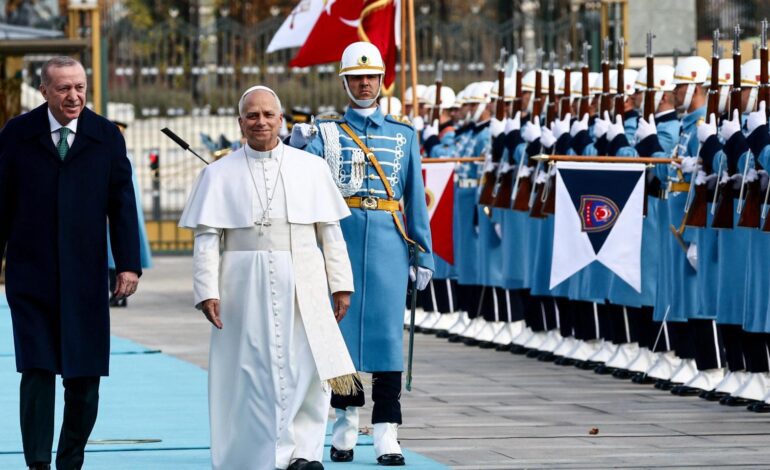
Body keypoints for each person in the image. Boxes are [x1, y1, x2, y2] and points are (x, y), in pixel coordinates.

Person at [179, 85, 358, 470]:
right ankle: (259, 454)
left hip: (304, 277)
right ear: (240, 122)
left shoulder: (310, 168)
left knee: (307, 368)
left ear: (281, 120)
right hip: (243, 282)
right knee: (251, 371)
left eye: (268, 115)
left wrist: (340, 283)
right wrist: (206, 290)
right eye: (252, 115)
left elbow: (330, 231)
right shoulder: (218, 173)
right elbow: (208, 238)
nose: (261, 122)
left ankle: (304, 453)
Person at [292, 41, 434, 466]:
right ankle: (346, 424)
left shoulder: (404, 134)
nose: (365, 84)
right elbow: (304, 174)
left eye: (371, 77)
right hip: (343, 243)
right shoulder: (327, 132)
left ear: (381, 80)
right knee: (341, 341)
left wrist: (422, 254)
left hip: (391, 247)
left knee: (388, 341)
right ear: (345, 81)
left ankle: (388, 432)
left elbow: (416, 199)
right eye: (357, 77)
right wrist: (297, 143)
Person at [0, 56, 141, 470]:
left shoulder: (106, 136)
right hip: (31, 275)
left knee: (84, 377)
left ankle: (70, 459)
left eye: (79, 87)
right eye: (63, 88)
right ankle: (38, 463)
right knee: (38, 371)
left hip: (85, 276)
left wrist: (128, 264)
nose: (74, 96)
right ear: (44, 91)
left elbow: (123, 204)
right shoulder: (17, 134)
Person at [108, 120, 153, 307]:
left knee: (116, 256)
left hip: (120, 213)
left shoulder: (123, 158)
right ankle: (115, 292)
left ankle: (119, 293)